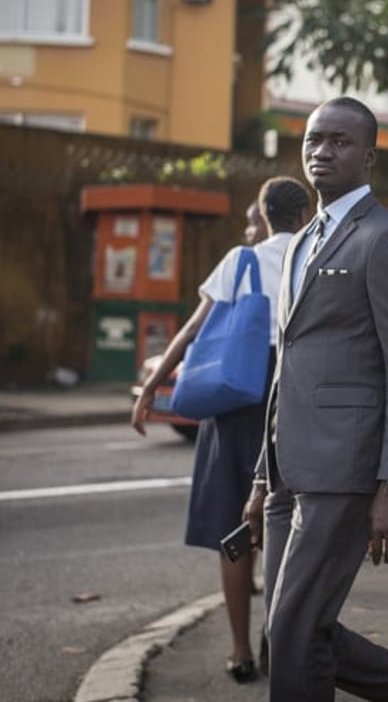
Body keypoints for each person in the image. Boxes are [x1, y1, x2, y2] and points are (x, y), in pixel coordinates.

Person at [241, 96, 388, 701]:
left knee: (293, 628)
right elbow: (290, 362)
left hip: (344, 468)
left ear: (368, 156)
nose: (322, 151)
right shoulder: (300, 242)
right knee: (294, 628)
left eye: (340, 142)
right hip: (288, 466)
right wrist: (262, 475)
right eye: (314, 140)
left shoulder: (387, 239)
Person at [132, 176, 311, 683]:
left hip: (236, 407)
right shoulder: (313, 259)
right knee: (289, 525)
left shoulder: (242, 261)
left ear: (263, 213)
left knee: (234, 532)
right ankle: (281, 639)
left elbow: (192, 328)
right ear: (302, 217)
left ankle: (239, 651)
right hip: (291, 402)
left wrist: (152, 389)